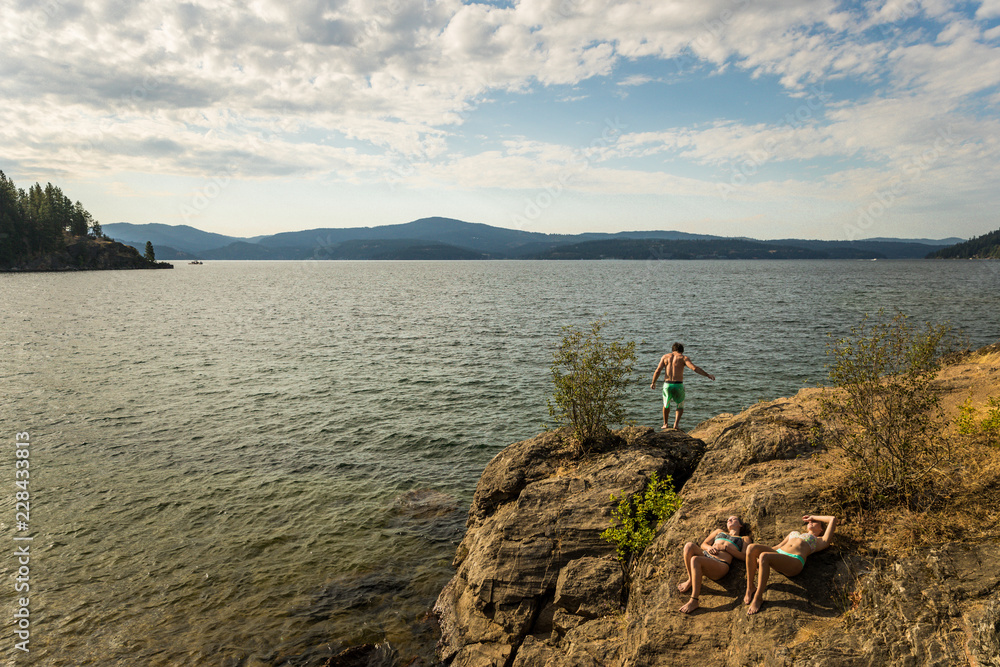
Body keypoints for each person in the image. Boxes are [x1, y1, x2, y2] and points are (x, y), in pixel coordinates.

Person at [744, 514, 838, 615]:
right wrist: (759, 561)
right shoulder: (794, 533)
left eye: (815, 522)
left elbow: (832, 519)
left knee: (764, 556)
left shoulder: (819, 540)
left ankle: (758, 597)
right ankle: (750, 588)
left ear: (821, 529)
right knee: (751, 548)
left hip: (793, 561)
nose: (810, 522)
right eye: (810, 521)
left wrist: (813, 517)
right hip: (779, 555)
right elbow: (778, 546)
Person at [677, 515, 752, 613]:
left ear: (740, 525)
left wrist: (726, 548)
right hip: (706, 556)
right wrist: (709, 548)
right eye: (728, 519)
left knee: (695, 559)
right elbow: (704, 544)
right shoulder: (719, 531)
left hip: (720, 565)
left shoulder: (744, 539)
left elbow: (744, 556)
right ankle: (691, 579)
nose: (729, 520)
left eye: (733, 519)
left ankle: (694, 600)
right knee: (688, 546)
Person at [650, 342, 715, 430]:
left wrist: (653, 382)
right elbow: (694, 368)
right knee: (680, 406)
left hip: (667, 384)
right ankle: (676, 425)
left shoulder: (665, 357)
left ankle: (665, 424)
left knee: (666, 404)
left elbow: (658, 370)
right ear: (682, 351)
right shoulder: (683, 358)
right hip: (678, 385)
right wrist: (707, 375)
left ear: (672, 350)